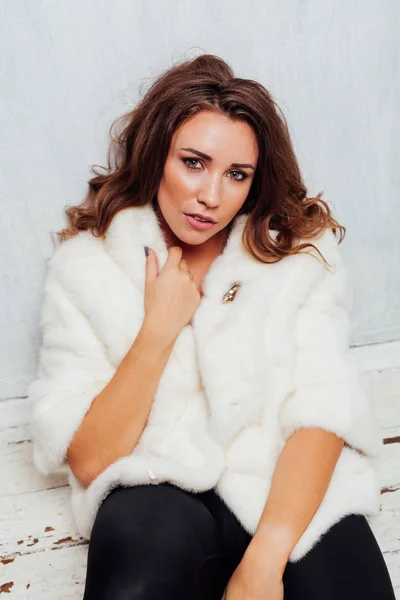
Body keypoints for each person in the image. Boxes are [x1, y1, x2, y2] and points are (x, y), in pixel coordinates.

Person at [28, 54, 396, 599]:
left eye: (237, 175)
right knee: (134, 586)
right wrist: (158, 331)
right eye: (193, 163)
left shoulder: (296, 256)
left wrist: (263, 563)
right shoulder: (90, 266)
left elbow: (323, 410)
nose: (211, 196)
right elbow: (90, 457)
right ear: (156, 156)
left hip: (281, 478)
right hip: (156, 482)